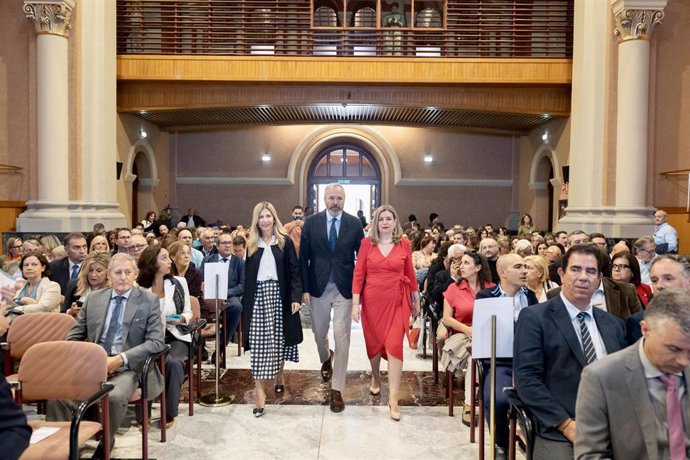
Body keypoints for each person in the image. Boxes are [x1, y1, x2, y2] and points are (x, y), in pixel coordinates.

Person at [514, 244, 627, 460]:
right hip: (561, 427)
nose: (583, 277)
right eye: (576, 269)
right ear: (562, 273)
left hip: (612, 426)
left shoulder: (614, 325)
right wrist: (565, 425)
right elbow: (527, 379)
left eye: (591, 271)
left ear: (599, 278)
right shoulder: (535, 318)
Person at [47, 253, 165, 454]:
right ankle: (62, 449)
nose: (123, 277)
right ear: (109, 275)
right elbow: (74, 337)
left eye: (128, 272)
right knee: (58, 395)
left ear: (136, 274)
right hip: (94, 364)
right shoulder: (94, 298)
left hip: (128, 368)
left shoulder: (148, 301)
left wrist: (119, 359)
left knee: (115, 396)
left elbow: (156, 342)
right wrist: (85, 359)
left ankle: (105, 446)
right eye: (118, 272)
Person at [575, 289, 690, 460]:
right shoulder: (602, 377)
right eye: (673, 349)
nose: (683, 361)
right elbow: (591, 455)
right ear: (645, 329)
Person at [300, 183, 364, 413]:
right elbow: (303, 258)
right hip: (317, 286)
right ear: (324, 199)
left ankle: (337, 390)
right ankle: (326, 357)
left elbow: (362, 258)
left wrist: (360, 291)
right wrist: (304, 288)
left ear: (344, 200)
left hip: (344, 288)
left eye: (339, 198)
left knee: (342, 335)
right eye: (331, 198)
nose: (335, 202)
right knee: (319, 333)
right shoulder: (311, 222)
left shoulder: (354, 224)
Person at [351, 204, 419, 421]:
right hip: (372, 301)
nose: (385, 222)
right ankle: (375, 376)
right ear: (376, 223)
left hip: (398, 300)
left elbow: (410, 272)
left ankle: (394, 398)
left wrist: (415, 299)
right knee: (374, 343)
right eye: (381, 219)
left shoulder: (404, 243)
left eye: (389, 218)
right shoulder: (366, 244)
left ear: (395, 221)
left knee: (393, 346)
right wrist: (355, 303)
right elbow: (359, 274)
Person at [241, 202, 302, 417]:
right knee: (258, 343)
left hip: (280, 296)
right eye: (261, 216)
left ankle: (279, 375)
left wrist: (296, 297)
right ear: (256, 220)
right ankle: (259, 393)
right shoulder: (250, 245)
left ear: (274, 218)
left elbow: (295, 272)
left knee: (279, 340)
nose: (265, 220)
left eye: (268, 216)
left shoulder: (284, 243)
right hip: (258, 298)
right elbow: (246, 278)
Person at [476, 253, 539, 457]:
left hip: (529, 362)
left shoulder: (530, 297)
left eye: (526, 267)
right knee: (497, 399)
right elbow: (482, 334)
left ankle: (535, 442)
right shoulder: (486, 297)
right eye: (518, 267)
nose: (524, 271)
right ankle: (501, 443)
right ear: (502, 272)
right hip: (499, 361)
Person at [137, 245, 192, 429]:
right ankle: (143, 412)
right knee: (145, 363)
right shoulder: (139, 288)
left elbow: (188, 312)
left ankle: (169, 412)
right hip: (149, 337)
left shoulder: (178, 282)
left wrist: (180, 318)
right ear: (152, 263)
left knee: (174, 362)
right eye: (165, 258)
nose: (170, 262)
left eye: (169, 258)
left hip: (174, 334)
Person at [440, 251, 495, 425]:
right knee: (474, 358)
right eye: (460, 263)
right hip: (462, 335)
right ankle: (469, 403)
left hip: (487, 335)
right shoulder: (454, 288)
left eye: (466, 263)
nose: (461, 266)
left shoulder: (491, 288)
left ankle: (494, 400)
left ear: (478, 267)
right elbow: (447, 318)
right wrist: (467, 329)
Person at [200, 231, 245, 365]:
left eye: (229, 243)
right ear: (217, 246)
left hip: (229, 296)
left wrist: (224, 293)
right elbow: (201, 279)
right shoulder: (208, 259)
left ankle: (220, 348)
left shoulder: (239, 262)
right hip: (209, 295)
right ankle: (199, 346)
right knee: (196, 305)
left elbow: (242, 285)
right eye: (224, 243)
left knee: (237, 307)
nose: (227, 245)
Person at [626, 254, 690, 344]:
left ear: (688, 282)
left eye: (668, 278)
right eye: (654, 280)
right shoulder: (638, 322)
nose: (659, 286)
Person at [4, 253, 61, 320]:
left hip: (42, 324)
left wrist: (16, 308)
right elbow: (6, 305)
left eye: (34, 264)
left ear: (43, 268)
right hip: (15, 323)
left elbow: (43, 307)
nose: (29, 268)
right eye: (26, 265)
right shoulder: (18, 286)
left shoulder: (52, 286)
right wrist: (22, 300)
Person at [62, 252, 111, 317]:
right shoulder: (74, 285)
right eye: (90, 270)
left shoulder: (113, 290)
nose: (93, 275)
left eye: (99, 271)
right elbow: (62, 313)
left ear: (108, 273)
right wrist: (71, 312)